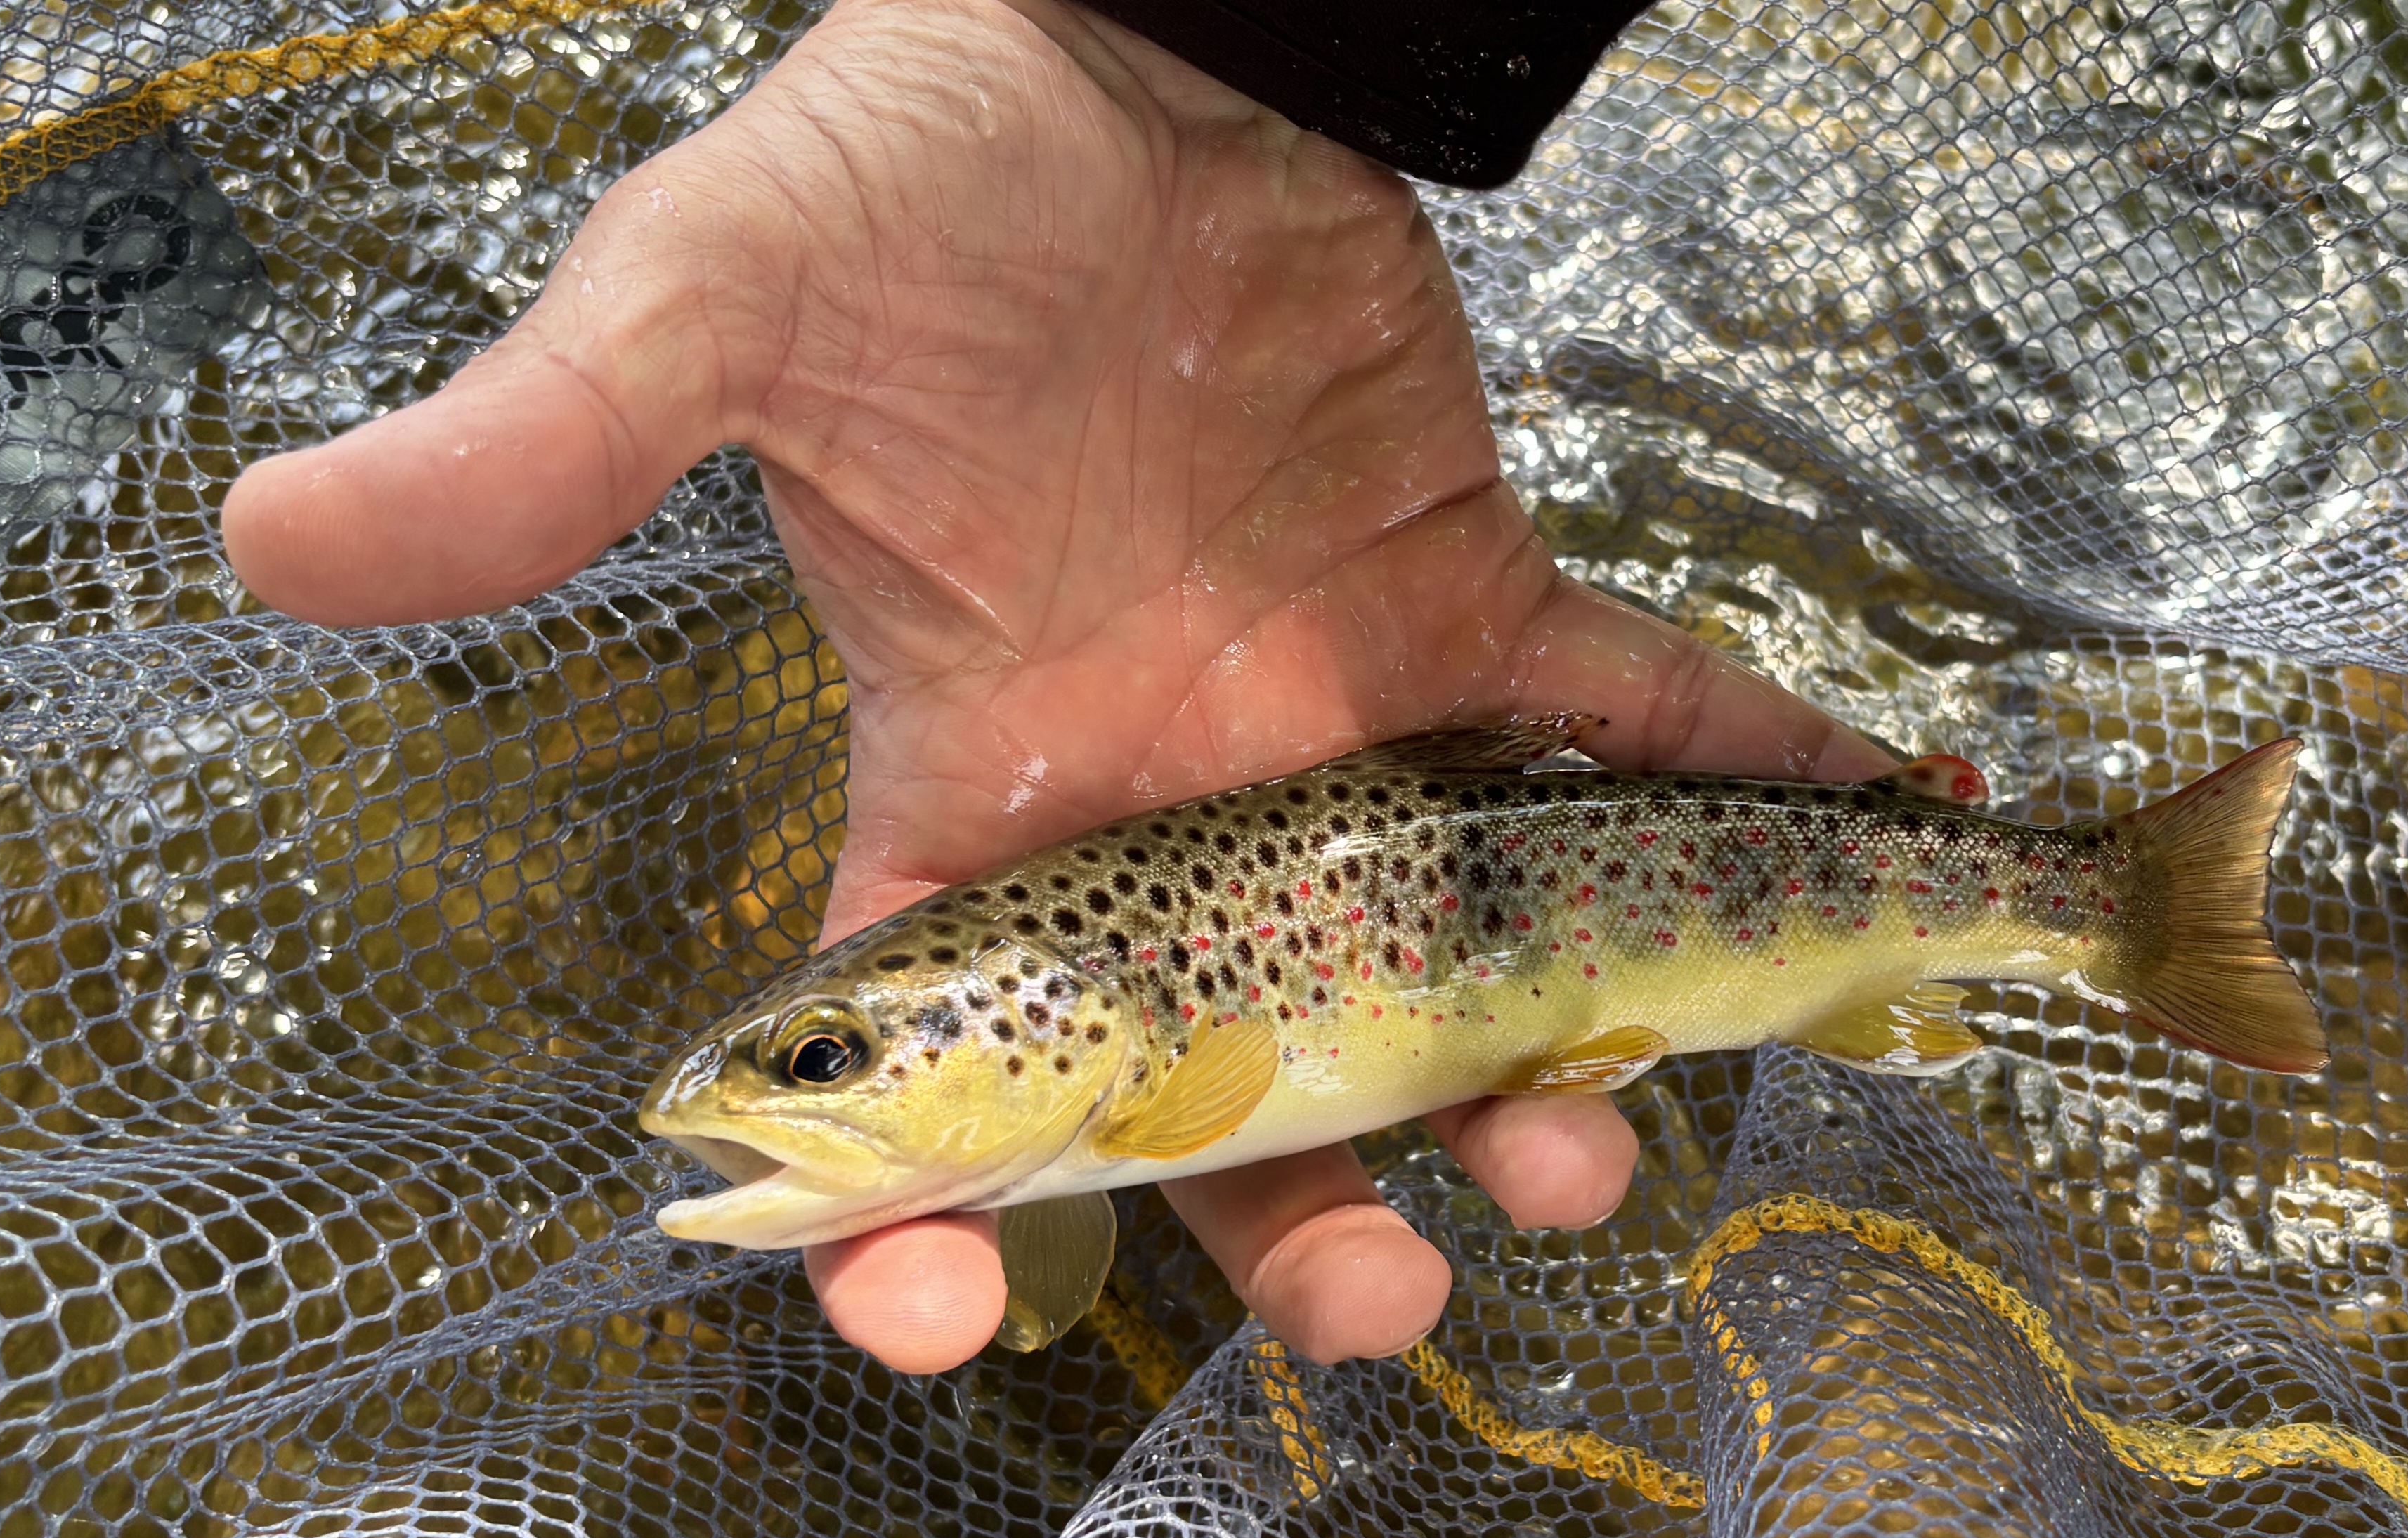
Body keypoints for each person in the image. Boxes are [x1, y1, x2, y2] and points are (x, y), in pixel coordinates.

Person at [222, 0, 1894, 1376]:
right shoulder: (1093, 1096)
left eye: (820, 1058)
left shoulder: (1145, 1084)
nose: (756, 1102)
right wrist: (1147, 40)